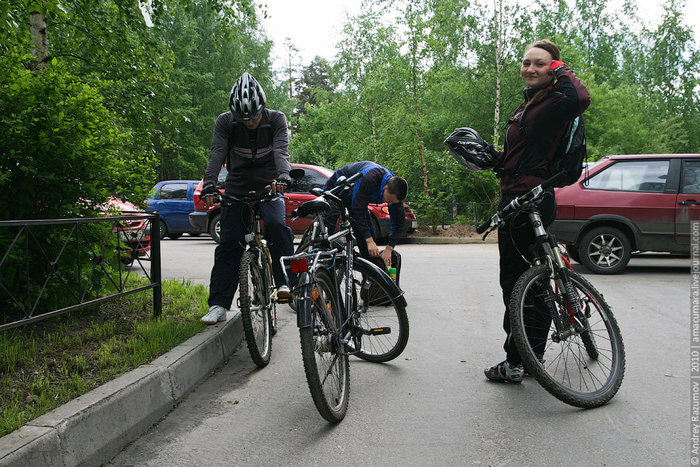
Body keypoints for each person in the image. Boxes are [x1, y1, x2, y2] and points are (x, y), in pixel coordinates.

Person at [485, 39, 591, 382]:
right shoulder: (532, 105)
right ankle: (532, 354)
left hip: (528, 200)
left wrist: (562, 68)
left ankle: (518, 361)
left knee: (519, 285)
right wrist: (494, 159)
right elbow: (525, 154)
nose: (530, 68)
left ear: (553, 69)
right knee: (533, 281)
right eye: (526, 62)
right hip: (520, 197)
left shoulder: (558, 101)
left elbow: (581, 99)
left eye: (540, 64)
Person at [199, 72, 295, 324]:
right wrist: (209, 186)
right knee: (229, 244)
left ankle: (287, 285)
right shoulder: (225, 122)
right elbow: (217, 154)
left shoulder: (276, 119)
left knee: (276, 226)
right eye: (244, 118)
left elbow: (282, 151)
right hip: (237, 186)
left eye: (253, 116)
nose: (250, 122)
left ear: (262, 108)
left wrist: (283, 177)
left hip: (270, 184)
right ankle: (219, 304)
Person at [323, 161, 408, 266]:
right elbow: (358, 210)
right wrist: (369, 240)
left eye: (393, 202)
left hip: (356, 198)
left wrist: (389, 248)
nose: (390, 204)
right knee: (325, 233)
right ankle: (320, 264)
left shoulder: (395, 189)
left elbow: (400, 222)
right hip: (338, 189)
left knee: (370, 247)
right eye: (389, 200)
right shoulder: (371, 179)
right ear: (385, 188)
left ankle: (368, 278)